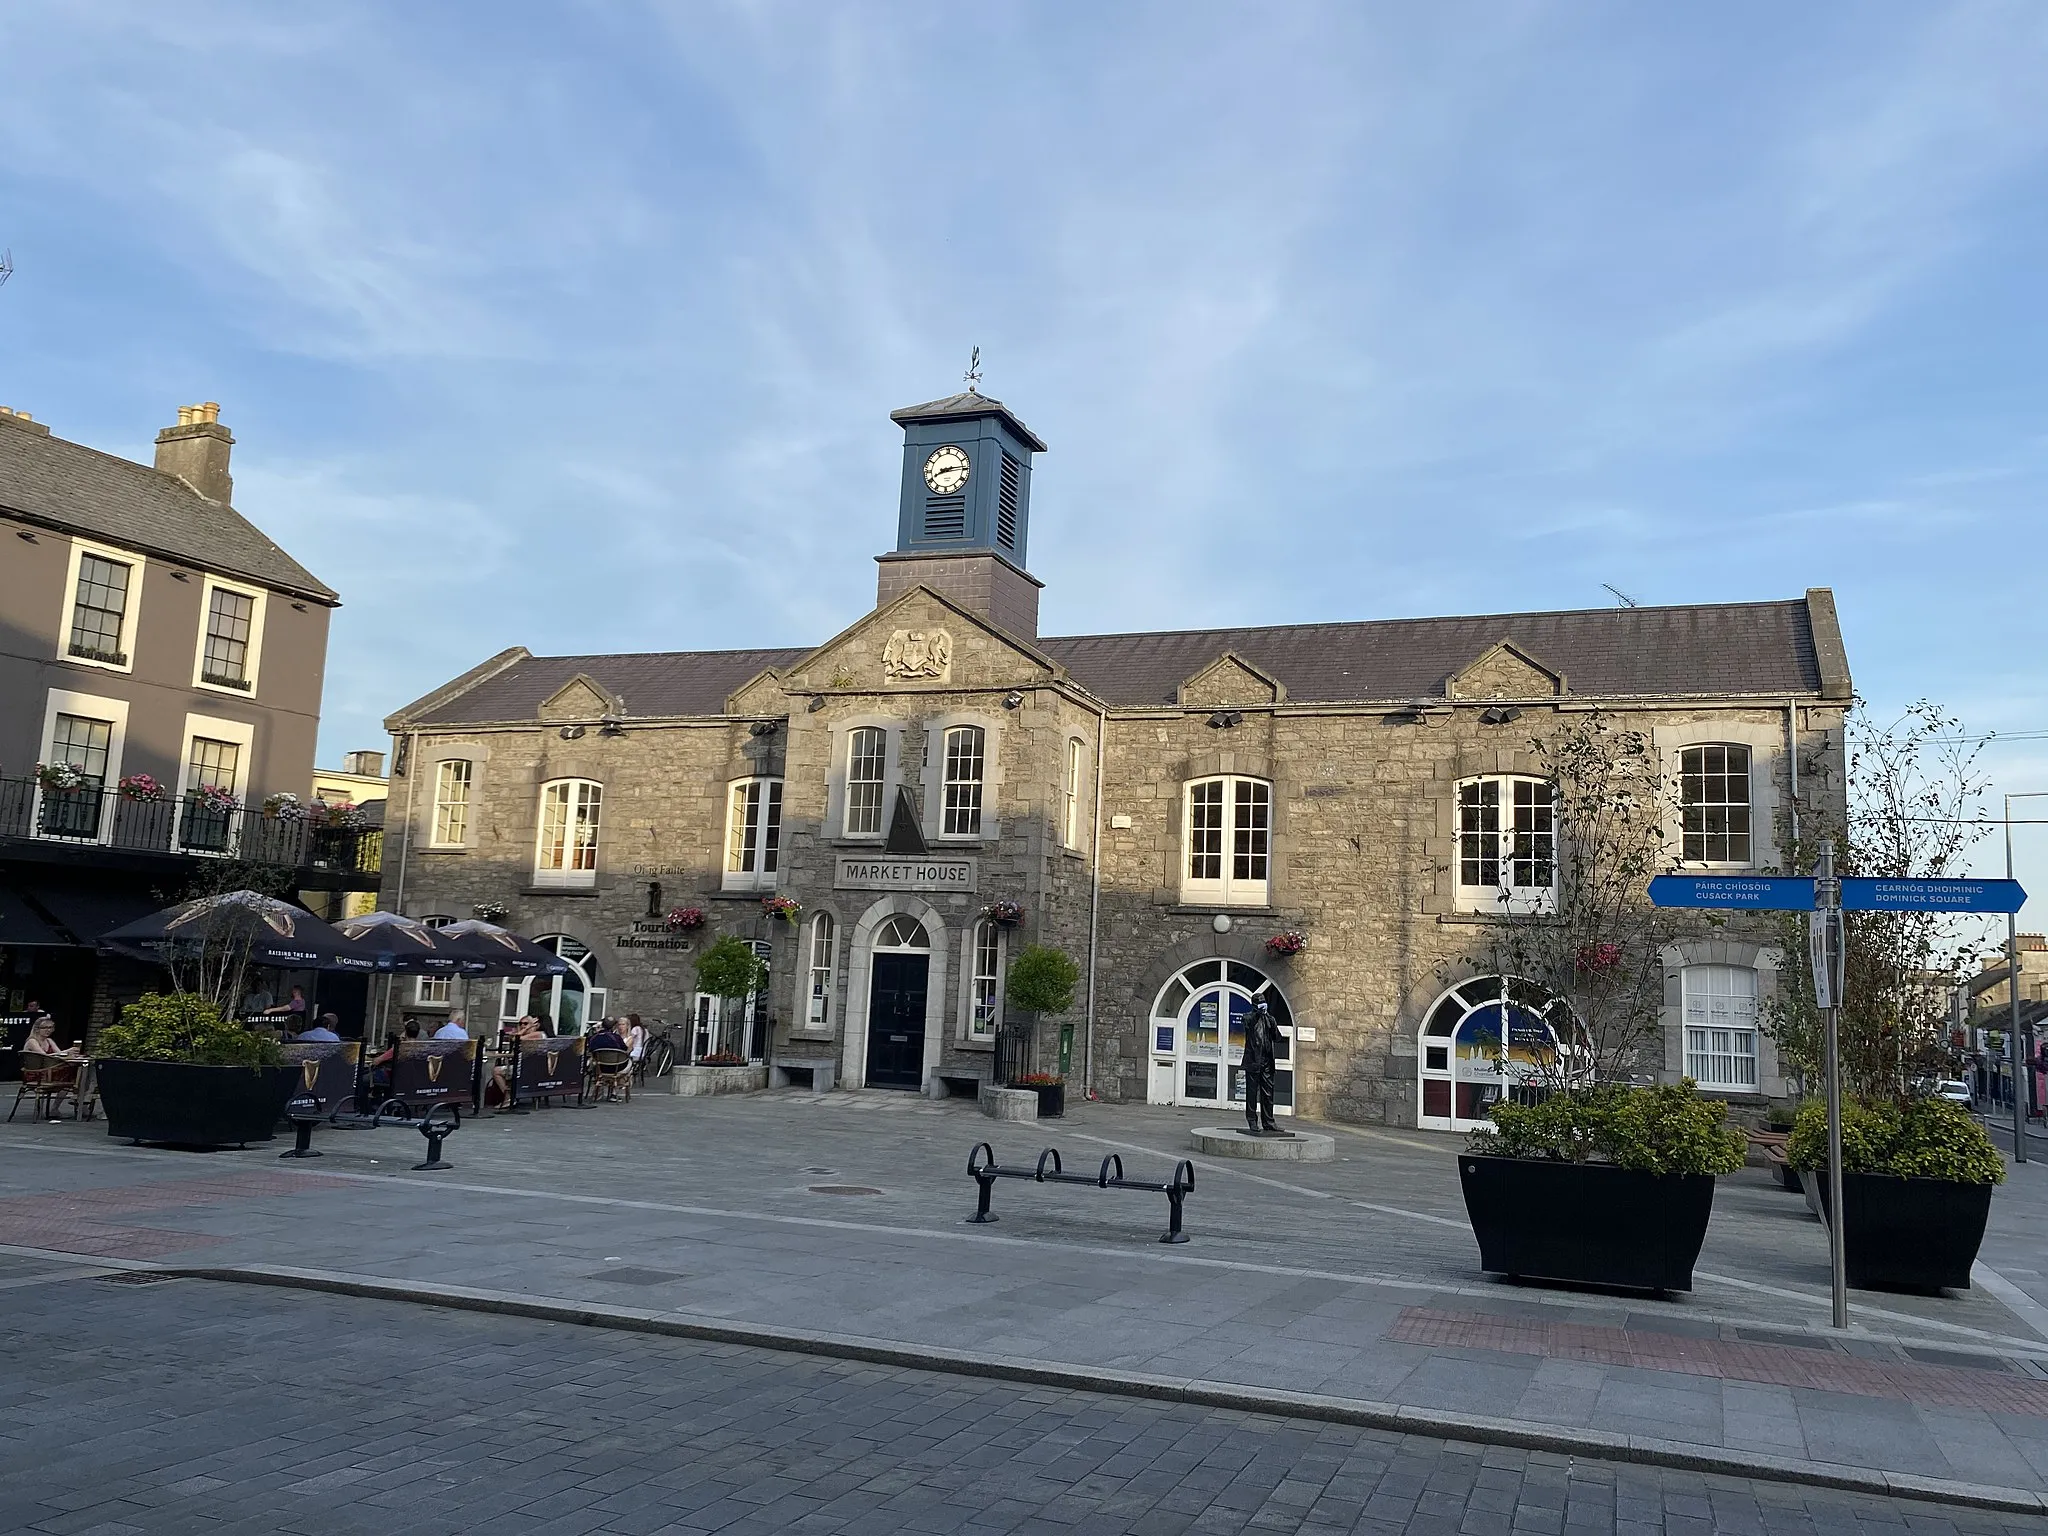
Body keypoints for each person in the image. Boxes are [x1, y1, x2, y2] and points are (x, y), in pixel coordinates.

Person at [1240, 1000, 1284, 1137]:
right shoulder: (1248, 1017)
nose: (1263, 1005)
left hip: (1267, 1062)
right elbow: (1248, 1025)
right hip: (1253, 1061)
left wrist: (1271, 1022)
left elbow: (1277, 1037)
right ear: (1254, 1005)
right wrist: (1257, 1014)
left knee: (1268, 1093)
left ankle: (1269, 1121)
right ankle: (1252, 1120)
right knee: (1252, 1093)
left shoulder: (1269, 1019)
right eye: (1260, 1003)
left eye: (1264, 1002)